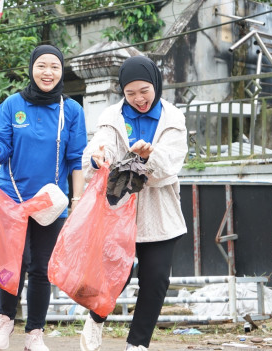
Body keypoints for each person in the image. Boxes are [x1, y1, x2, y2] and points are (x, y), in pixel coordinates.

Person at [0, 44, 87, 351]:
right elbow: (1, 141)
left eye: (54, 67)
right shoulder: (12, 104)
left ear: (61, 71)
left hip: (51, 204)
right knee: (15, 261)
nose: (48, 72)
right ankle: (4, 321)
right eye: (42, 66)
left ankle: (34, 334)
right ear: (31, 68)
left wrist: (77, 200)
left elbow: (77, 158)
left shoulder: (72, 111)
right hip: (12, 199)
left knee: (42, 268)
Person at [80, 56, 188, 351]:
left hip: (159, 210)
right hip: (119, 207)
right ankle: (96, 319)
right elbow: (98, 147)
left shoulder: (173, 118)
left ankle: (137, 345)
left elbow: (171, 162)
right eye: (130, 93)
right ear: (122, 92)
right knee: (116, 276)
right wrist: (96, 157)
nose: (139, 98)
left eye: (144, 90)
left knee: (155, 280)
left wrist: (148, 156)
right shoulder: (113, 117)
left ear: (156, 85)